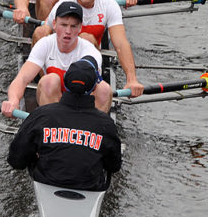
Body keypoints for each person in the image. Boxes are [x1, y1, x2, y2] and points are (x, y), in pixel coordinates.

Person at [6, 56, 122, 191]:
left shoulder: (41, 115)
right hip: (89, 186)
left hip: (46, 181)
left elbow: (16, 161)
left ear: (65, 83)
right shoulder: (106, 124)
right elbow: (114, 166)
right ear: (94, 88)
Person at [32, 0, 144, 98]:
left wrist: (131, 79)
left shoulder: (109, 5)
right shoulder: (63, 4)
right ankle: (48, 87)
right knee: (40, 32)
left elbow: (120, 44)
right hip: (61, 61)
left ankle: (89, 88)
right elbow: (44, 37)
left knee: (87, 39)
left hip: (88, 62)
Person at [2, 1, 114, 114]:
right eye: (64, 25)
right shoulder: (45, 44)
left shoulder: (90, 51)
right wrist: (13, 100)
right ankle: (52, 124)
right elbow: (22, 79)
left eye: (73, 26)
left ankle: (92, 127)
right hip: (53, 102)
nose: (68, 31)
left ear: (80, 28)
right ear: (54, 24)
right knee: (49, 80)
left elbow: (94, 89)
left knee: (104, 89)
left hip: (81, 104)